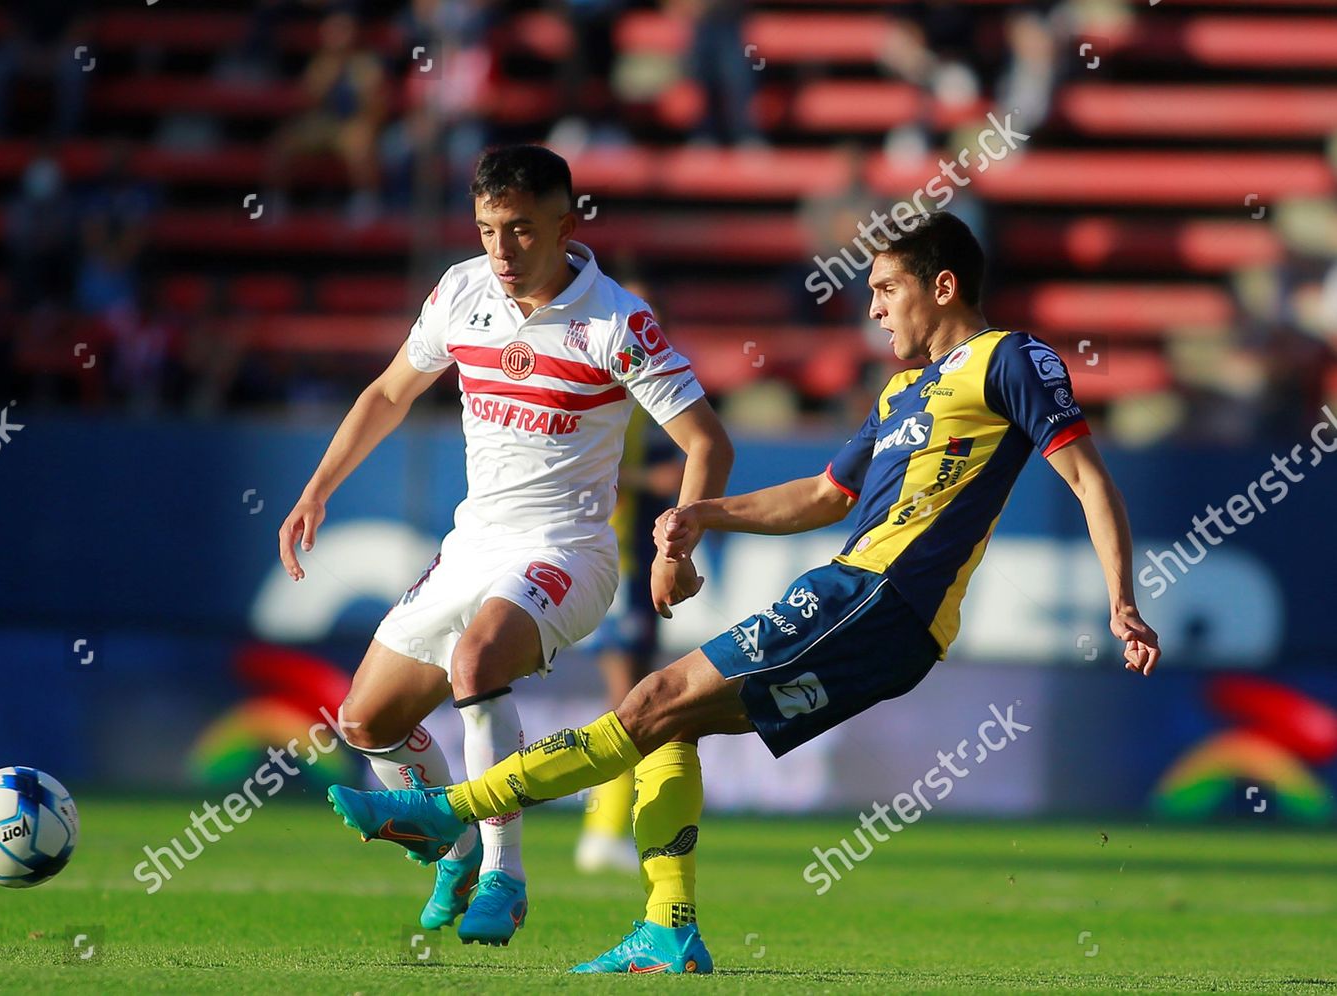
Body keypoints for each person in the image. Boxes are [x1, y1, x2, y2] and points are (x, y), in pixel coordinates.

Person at [326, 211, 1162, 972]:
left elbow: (1088, 480)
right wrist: (702, 515)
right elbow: (825, 497)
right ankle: (667, 926)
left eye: (885, 290)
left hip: (879, 596)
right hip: (861, 599)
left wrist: (1121, 600)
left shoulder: (1010, 358)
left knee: (654, 697)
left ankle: (451, 810)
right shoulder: (901, 393)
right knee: (668, 719)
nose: (872, 309)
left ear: (942, 286)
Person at [280, 145, 733, 946]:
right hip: (473, 544)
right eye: (489, 229)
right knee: (363, 721)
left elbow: (706, 441)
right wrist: (318, 488)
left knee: (478, 660)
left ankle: (505, 873)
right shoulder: (460, 291)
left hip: (569, 549)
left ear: (568, 221)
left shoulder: (616, 320)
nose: (502, 250)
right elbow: (389, 391)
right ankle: (452, 846)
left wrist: (678, 543)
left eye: (521, 230)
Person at [575, 403, 685, 874]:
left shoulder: (651, 405)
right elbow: (591, 469)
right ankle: (600, 832)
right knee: (624, 702)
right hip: (615, 566)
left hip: (641, 569)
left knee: (639, 699)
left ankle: (611, 829)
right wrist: (645, 478)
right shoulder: (614, 407)